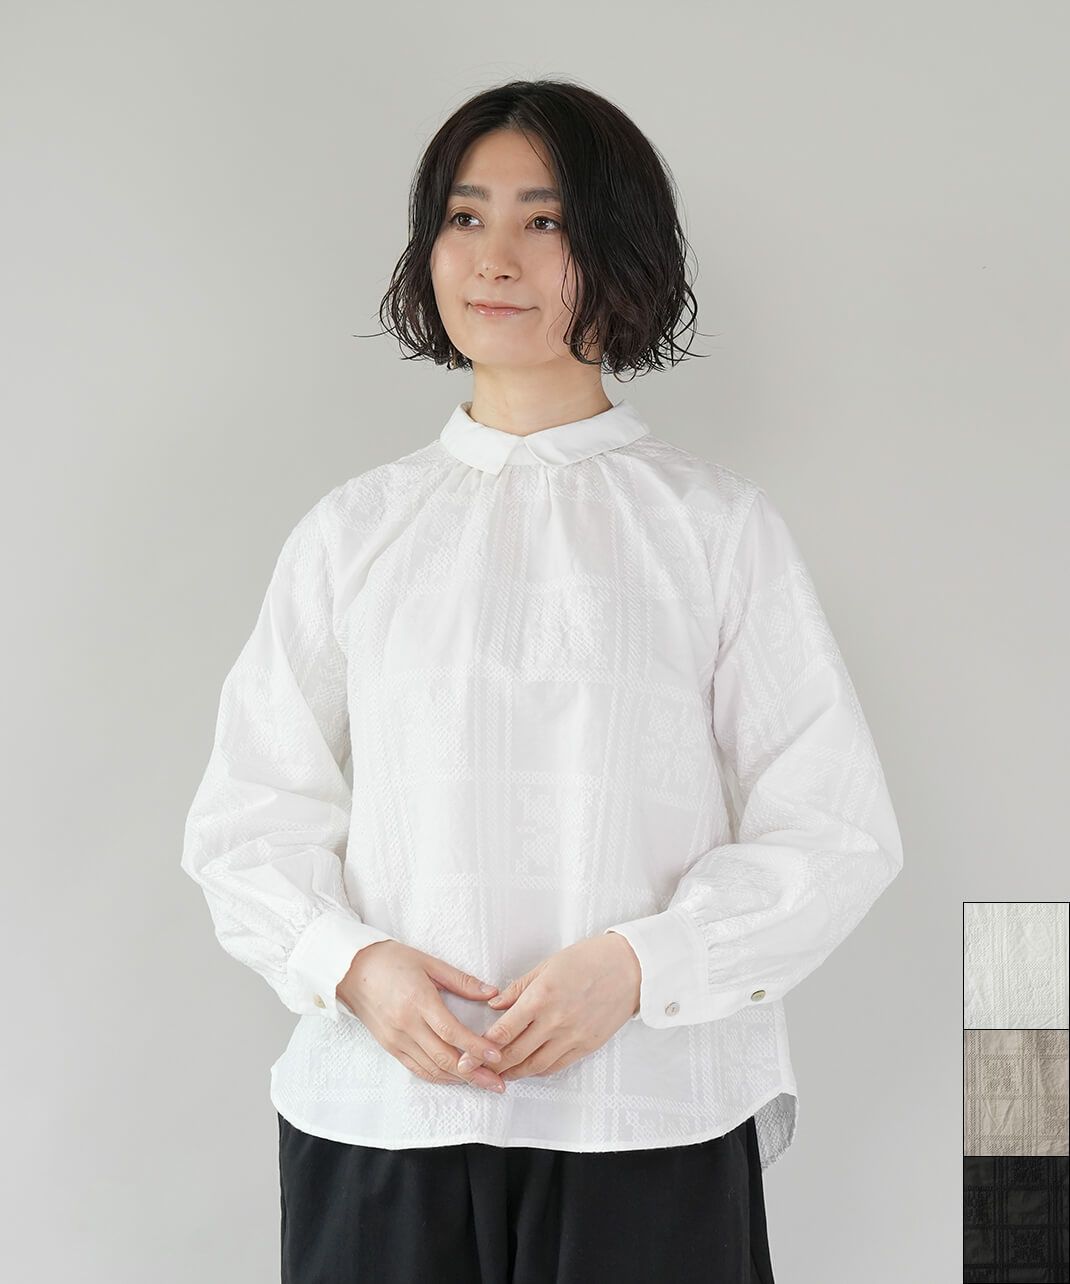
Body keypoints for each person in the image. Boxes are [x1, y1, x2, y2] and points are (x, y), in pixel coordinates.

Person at [181, 78, 903, 1283]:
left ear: (619, 251)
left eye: (546, 220)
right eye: (464, 218)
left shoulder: (713, 529)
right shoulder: (354, 531)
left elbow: (831, 828)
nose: (495, 257)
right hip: (386, 1118)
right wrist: (353, 966)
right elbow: (248, 816)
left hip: (645, 1114)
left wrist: (641, 968)